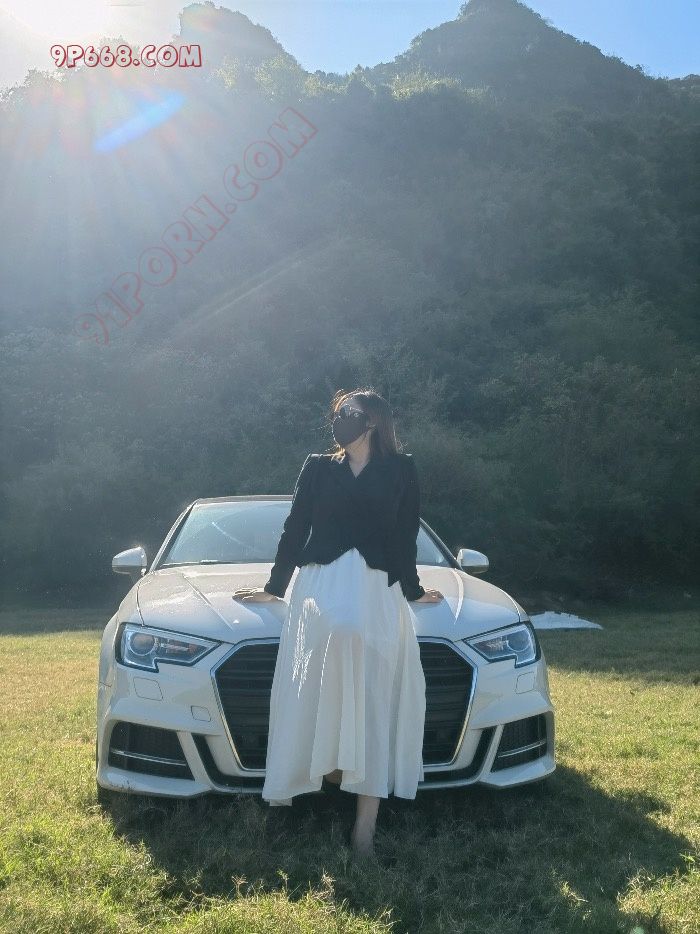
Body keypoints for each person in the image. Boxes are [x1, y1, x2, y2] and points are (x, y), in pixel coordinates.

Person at [233, 388, 444, 859]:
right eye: (338, 413)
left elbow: (405, 535)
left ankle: (365, 823)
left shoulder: (401, 469)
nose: (340, 419)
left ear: (373, 421)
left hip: (378, 585)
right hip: (322, 581)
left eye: (350, 413)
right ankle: (327, 770)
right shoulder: (317, 468)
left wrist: (413, 589)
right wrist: (275, 586)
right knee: (328, 665)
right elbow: (295, 527)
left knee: (372, 694)